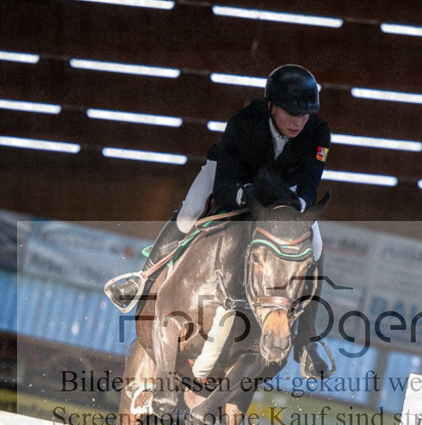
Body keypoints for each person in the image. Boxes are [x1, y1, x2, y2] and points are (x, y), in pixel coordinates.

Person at [104, 64, 334, 378]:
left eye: (305, 114)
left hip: (284, 196)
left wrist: (296, 206)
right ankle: (143, 278)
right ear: (271, 106)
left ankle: (306, 341)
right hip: (233, 182)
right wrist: (247, 198)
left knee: (316, 245)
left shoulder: (318, 132)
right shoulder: (243, 123)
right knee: (188, 215)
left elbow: (309, 183)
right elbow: (225, 184)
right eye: (292, 113)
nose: (299, 121)